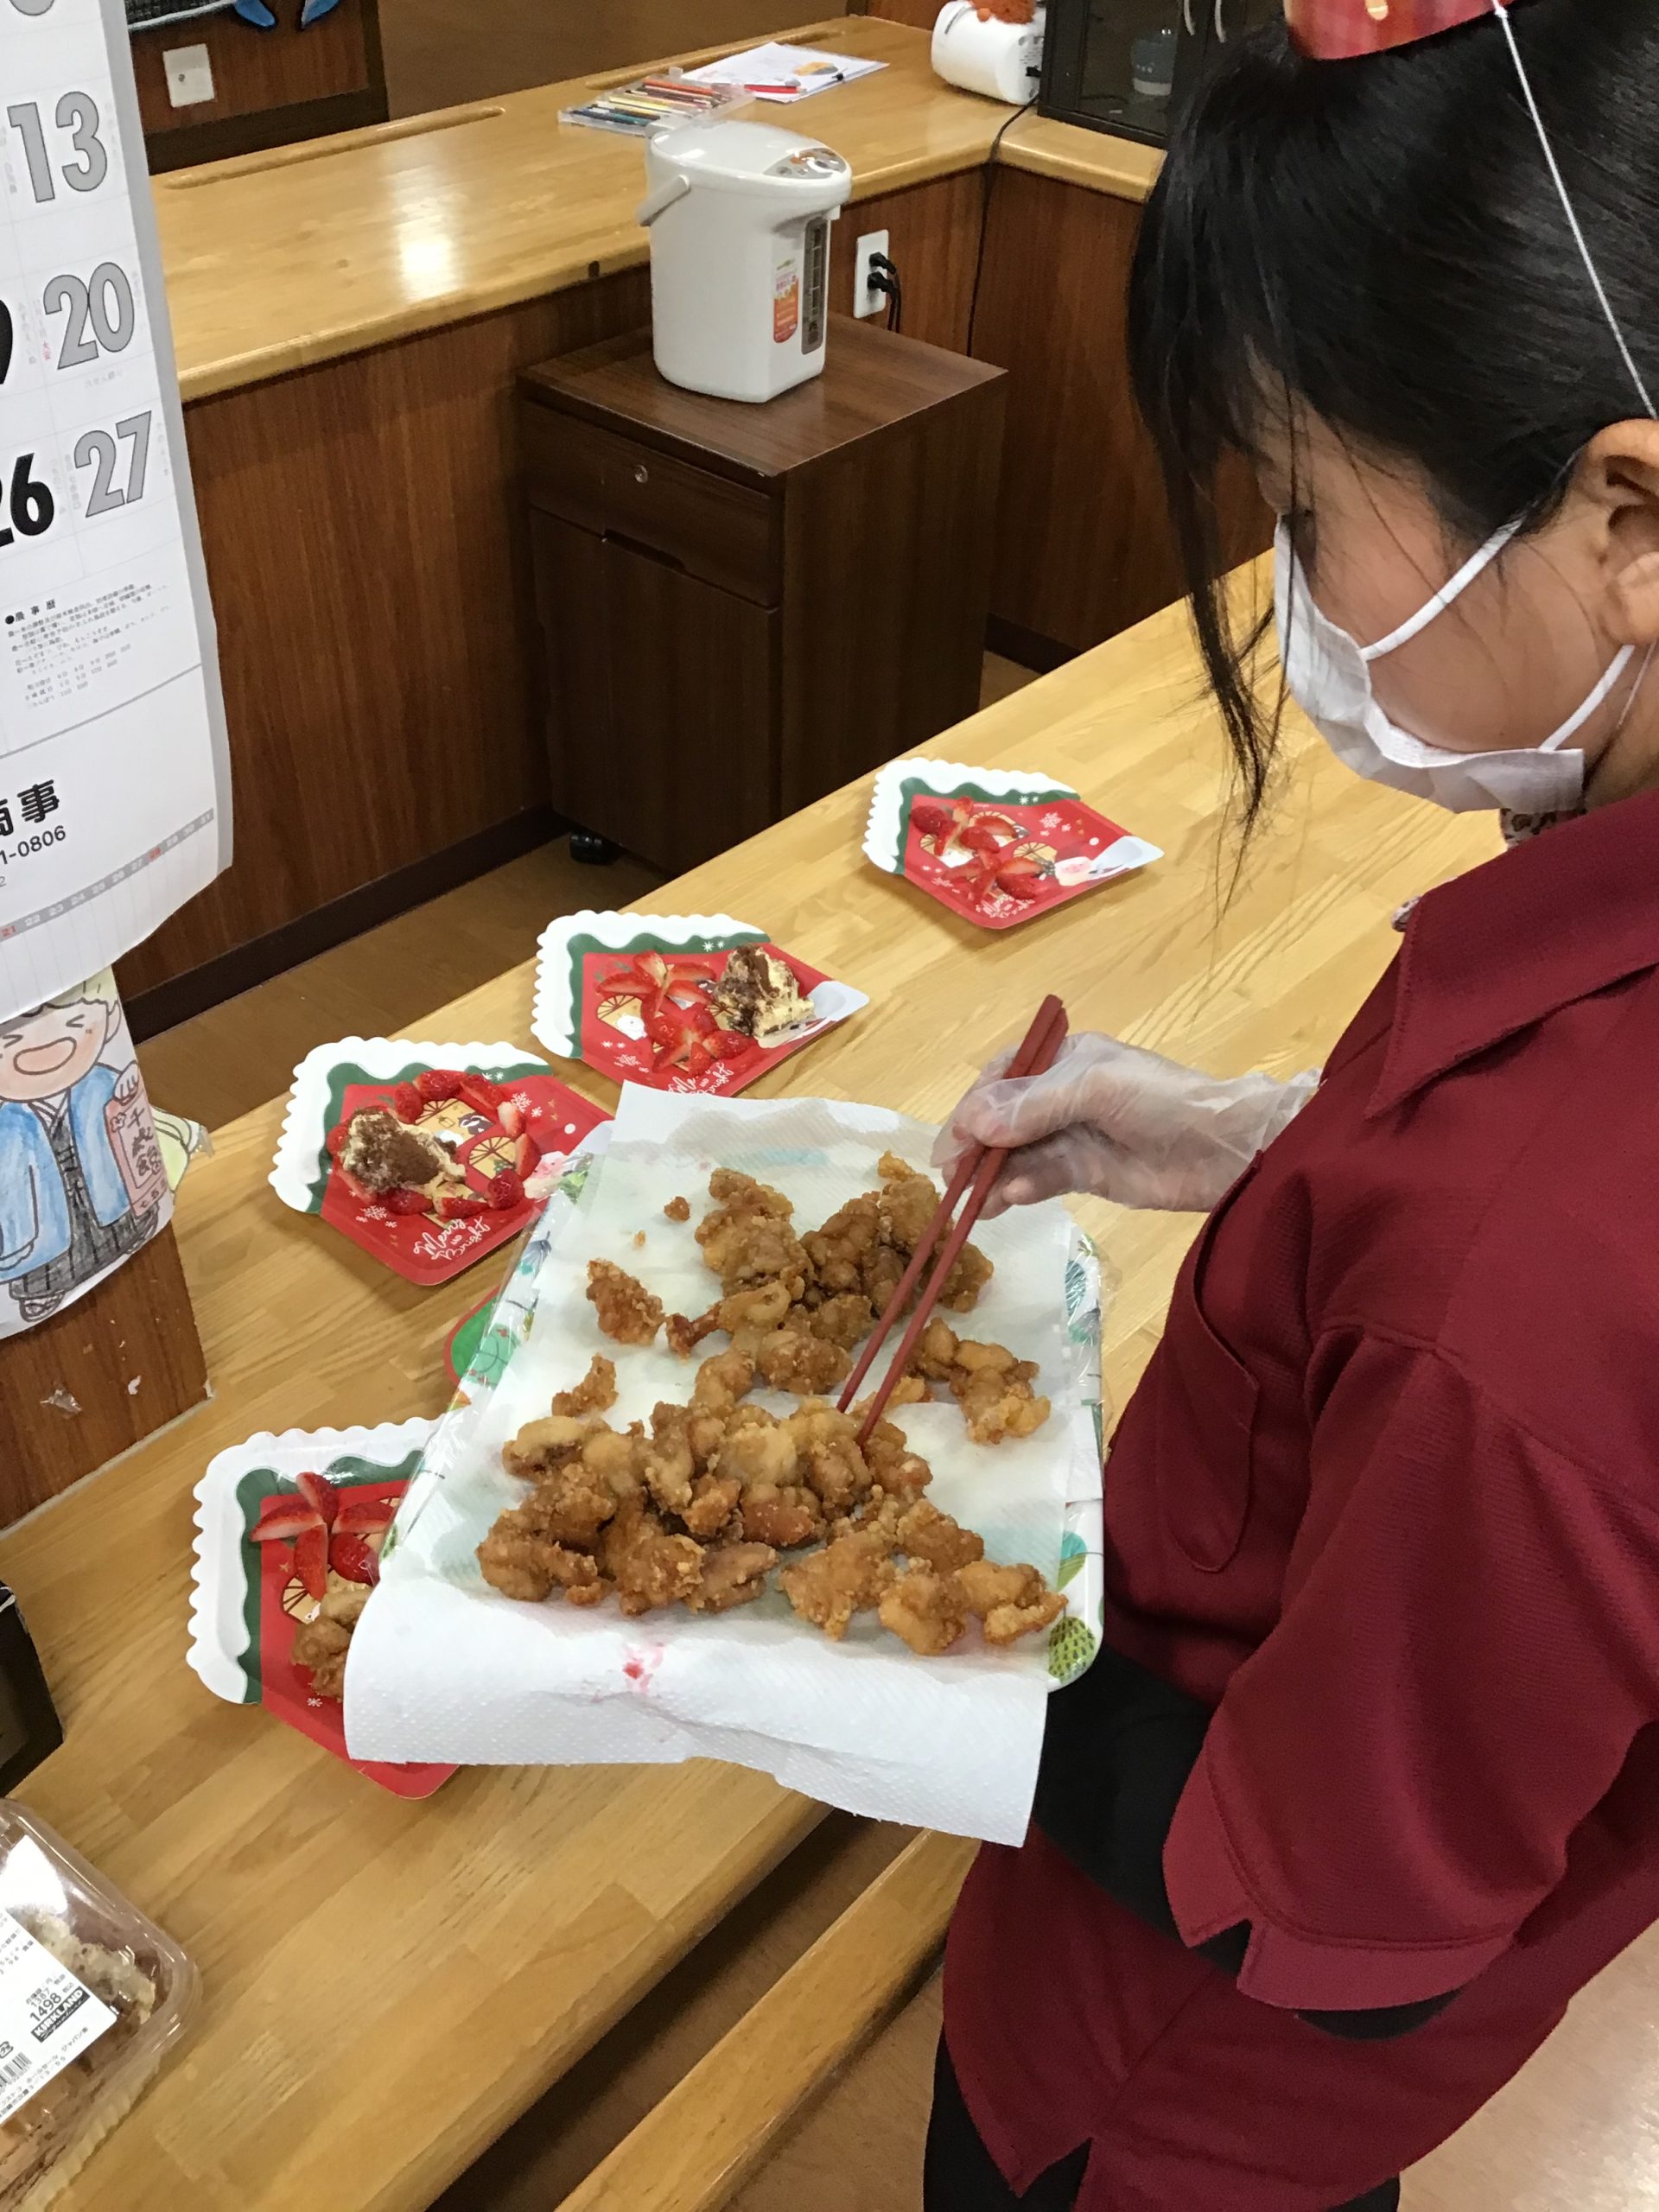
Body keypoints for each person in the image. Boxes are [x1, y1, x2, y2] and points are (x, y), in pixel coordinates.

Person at [925, 1, 1659, 2206]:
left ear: (1627, 515)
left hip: (1161, 2084)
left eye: (1306, 506)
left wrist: (918, 1609)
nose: (1289, 587)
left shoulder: (1523, 1281)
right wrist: (1269, 1143)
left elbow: (1320, 1916)